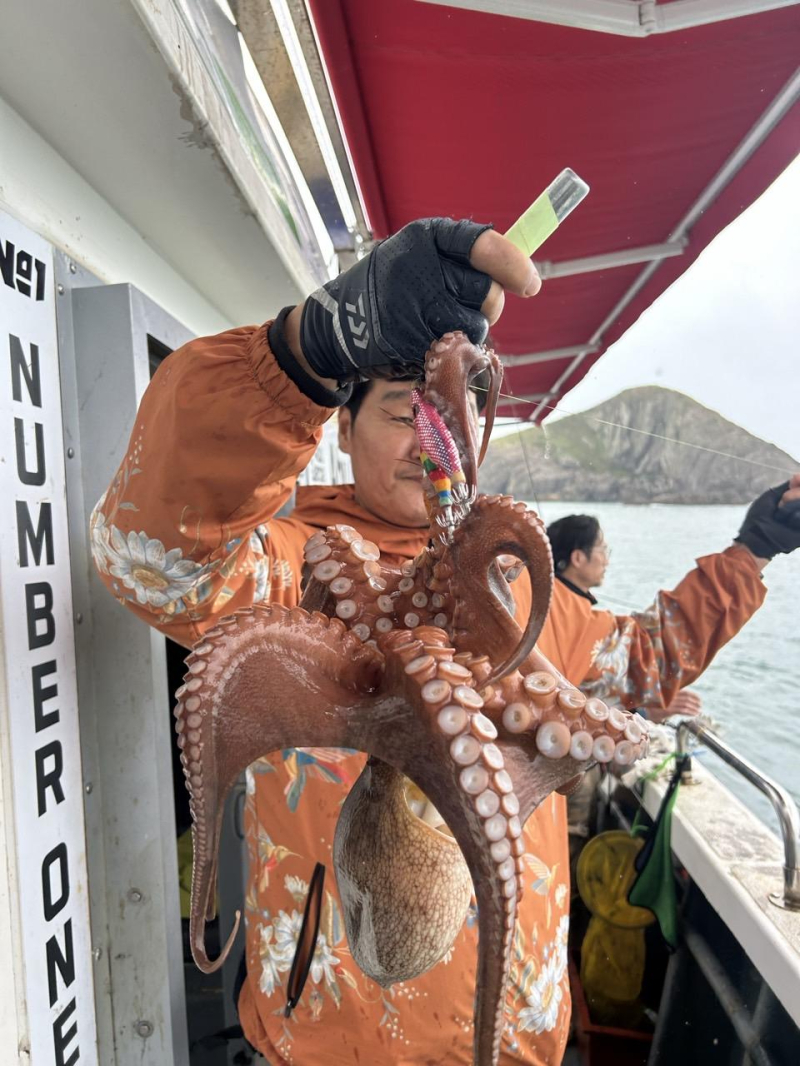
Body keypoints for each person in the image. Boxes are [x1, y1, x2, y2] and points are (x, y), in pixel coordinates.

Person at [89, 217, 800, 1066]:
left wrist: (750, 553)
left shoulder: (522, 598)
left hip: (514, 1033)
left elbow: (639, 670)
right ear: (341, 431)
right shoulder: (284, 574)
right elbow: (155, 556)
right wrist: (309, 348)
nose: (432, 441)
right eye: (400, 414)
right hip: (329, 1036)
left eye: (451, 417)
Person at [545, 514, 704, 723]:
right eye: (602, 549)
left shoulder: (542, 600)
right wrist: (646, 712)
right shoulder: (586, 624)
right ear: (578, 558)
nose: (607, 560)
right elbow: (586, 690)